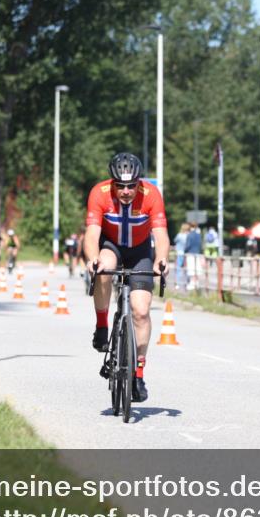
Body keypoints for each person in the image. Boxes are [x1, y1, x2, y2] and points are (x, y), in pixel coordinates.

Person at [84, 152, 169, 403]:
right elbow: (92, 233)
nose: (126, 191)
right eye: (120, 186)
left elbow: (161, 234)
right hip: (111, 246)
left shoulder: (151, 194)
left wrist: (161, 259)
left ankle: (138, 374)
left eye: (131, 186)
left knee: (141, 312)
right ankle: (102, 325)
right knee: (103, 269)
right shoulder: (99, 193)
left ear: (138, 182)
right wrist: (92, 258)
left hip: (140, 251)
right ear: (113, 183)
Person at [184, 222, 203, 291]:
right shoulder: (198, 235)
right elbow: (200, 245)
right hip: (197, 253)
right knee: (197, 268)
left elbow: (187, 245)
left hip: (190, 253)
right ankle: (196, 283)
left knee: (191, 269)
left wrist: (185, 251)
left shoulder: (189, 235)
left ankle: (192, 283)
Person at [174, 223, 190, 290]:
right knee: (187, 269)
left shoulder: (179, 235)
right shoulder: (188, 235)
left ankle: (177, 284)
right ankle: (188, 283)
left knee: (178, 269)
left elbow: (175, 240)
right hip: (186, 254)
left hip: (179, 253)